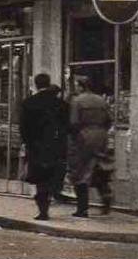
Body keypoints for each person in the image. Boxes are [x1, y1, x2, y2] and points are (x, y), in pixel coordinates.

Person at [19, 73, 68, 221]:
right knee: (54, 175)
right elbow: (67, 126)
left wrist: (28, 143)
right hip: (57, 146)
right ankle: (52, 195)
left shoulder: (28, 103)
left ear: (35, 84)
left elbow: (24, 128)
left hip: (36, 147)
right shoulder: (61, 104)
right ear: (48, 83)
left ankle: (43, 210)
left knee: (40, 179)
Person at [68, 75, 114, 217]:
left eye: (76, 85)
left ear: (81, 86)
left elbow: (74, 122)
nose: (75, 88)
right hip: (101, 137)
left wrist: (73, 138)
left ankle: (82, 208)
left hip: (84, 137)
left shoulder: (77, 101)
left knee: (79, 172)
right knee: (99, 168)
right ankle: (105, 196)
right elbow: (109, 120)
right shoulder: (101, 100)